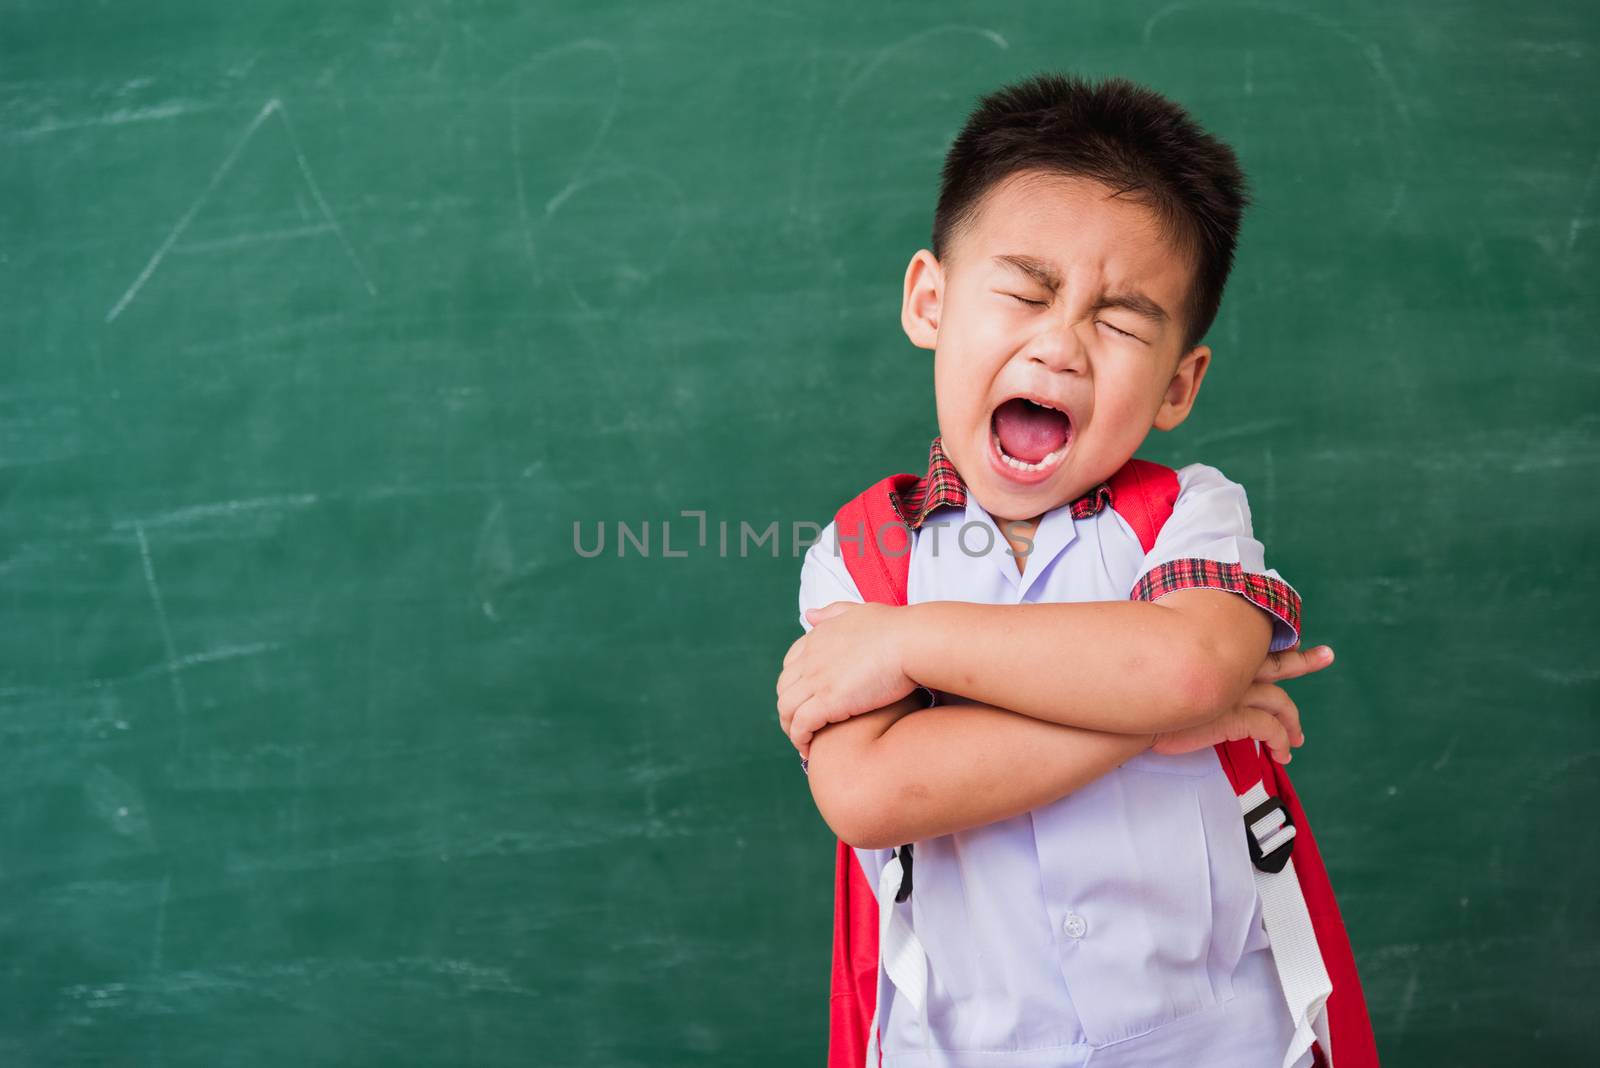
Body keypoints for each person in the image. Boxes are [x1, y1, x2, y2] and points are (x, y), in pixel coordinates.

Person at [776, 74, 1363, 1067]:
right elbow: (872, 792)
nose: (1059, 343)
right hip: (965, 1048)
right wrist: (1171, 724)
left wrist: (913, 646)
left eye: (1122, 321)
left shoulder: (1190, 516)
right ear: (929, 299)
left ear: (1179, 383)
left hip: (1226, 1041)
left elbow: (1182, 669)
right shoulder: (867, 550)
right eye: (1024, 290)